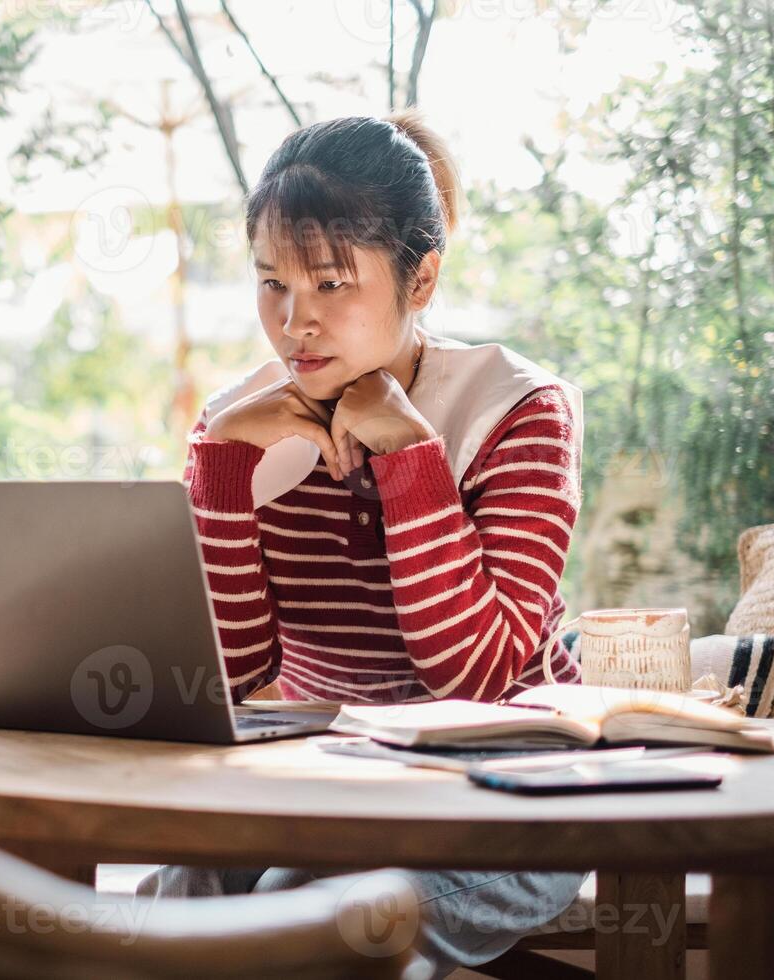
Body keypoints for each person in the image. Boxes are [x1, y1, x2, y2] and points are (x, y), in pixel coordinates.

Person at [134, 109, 590, 978]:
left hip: (518, 795)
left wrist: (412, 457)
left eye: (332, 284)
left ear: (421, 281)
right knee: (181, 890)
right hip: (329, 785)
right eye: (272, 283)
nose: (295, 323)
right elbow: (225, 673)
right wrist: (222, 471)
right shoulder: (241, 421)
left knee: (301, 917)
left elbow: (478, 673)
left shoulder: (520, 411)